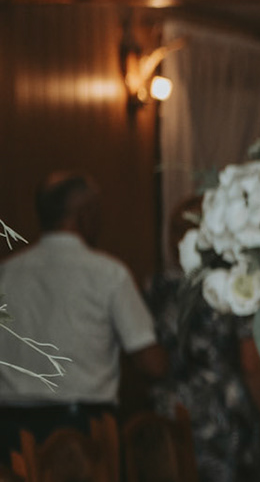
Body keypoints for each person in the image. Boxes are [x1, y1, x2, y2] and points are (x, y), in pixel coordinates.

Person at [146, 199, 260, 482]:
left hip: (168, 417)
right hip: (221, 418)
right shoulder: (233, 287)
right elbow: (251, 364)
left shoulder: (156, 286)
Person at [0, 173, 167, 453]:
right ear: (85, 214)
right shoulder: (108, 273)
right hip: (81, 433)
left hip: (10, 431)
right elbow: (152, 363)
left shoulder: (7, 273)